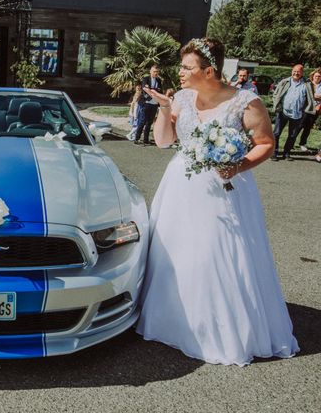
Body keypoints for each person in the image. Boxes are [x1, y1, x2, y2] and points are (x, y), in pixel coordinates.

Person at [136, 37, 299, 366]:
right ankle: (174, 322)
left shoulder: (246, 102)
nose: (180, 72)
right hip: (180, 185)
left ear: (209, 71)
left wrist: (237, 165)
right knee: (174, 252)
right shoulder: (181, 97)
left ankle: (217, 329)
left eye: (188, 67)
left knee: (215, 255)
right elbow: (165, 143)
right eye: (181, 66)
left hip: (224, 188)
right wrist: (165, 109)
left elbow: (265, 143)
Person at [271, 64, 315, 161]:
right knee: (276, 133)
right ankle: (274, 152)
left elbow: (310, 99)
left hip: (297, 114)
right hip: (283, 112)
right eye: (294, 71)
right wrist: (277, 106)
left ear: (302, 73)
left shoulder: (307, 84)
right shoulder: (284, 81)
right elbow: (275, 94)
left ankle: (286, 153)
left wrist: (305, 111)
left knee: (292, 135)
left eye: (298, 72)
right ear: (292, 71)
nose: (296, 73)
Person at [134, 64, 162, 145]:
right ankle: (137, 139)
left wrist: (151, 89)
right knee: (142, 121)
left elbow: (161, 91)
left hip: (154, 104)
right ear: (150, 71)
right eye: (154, 71)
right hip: (146, 103)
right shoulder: (145, 79)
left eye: (157, 72)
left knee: (149, 122)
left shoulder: (159, 81)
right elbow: (145, 89)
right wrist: (155, 90)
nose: (155, 73)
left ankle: (146, 139)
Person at [297, 68, 321, 152]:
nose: (317, 77)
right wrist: (316, 96)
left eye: (319, 76)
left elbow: (313, 96)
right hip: (306, 109)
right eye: (316, 76)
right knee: (299, 126)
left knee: (308, 128)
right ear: (312, 76)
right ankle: (291, 142)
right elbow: (308, 95)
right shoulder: (308, 84)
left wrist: (315, 96)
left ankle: (302, 143)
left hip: (316, 110)